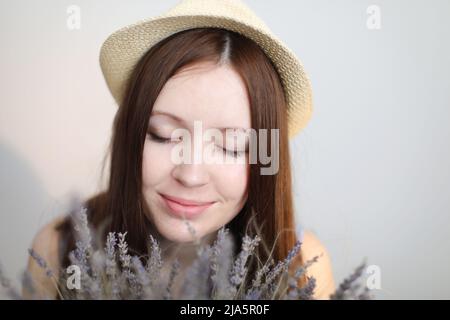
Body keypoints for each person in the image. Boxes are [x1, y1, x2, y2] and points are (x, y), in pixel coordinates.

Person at [26, 0, 335, 300]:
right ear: (130, 135)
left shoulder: (305, 269)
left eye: (231, 147)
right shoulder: (59, 251)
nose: (191, 174)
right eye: (164, 136)